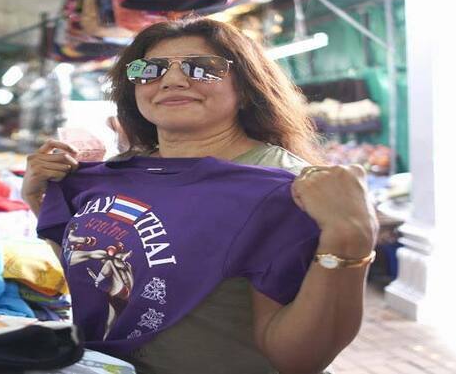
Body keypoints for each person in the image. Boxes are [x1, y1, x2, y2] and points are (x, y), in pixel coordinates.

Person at [22, 18, 377, 374]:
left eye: (203, 68)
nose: (173, 80)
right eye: (150, 69)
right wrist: (40, 199)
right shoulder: (128, 170)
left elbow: (297, 358)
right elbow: (106, 265)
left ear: (247, 86)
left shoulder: (285, 188)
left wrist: (350, 241)